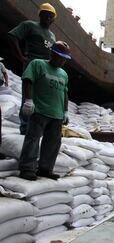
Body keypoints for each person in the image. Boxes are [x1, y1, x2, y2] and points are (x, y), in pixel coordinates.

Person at [18, 41, 71, 181]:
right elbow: (27, 80)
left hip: (57, 114)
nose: (62, 61)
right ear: (52, 54)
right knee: (33, 140)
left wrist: (65, 111)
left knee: (53, 143)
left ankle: (45, 169)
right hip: (39, 111)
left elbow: (65, 94)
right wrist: (28, 101)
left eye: (65, 58)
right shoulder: (38, 64)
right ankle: (27, 168)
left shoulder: (64, 74)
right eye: (60, 57)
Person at [8, 2, 57, 135]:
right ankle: (25, 128)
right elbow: (12, 36)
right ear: (40, 15)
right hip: (32, 64)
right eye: (45, 15)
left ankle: (38, 127)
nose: (48, 18)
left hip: (45, 68)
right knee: (28, 97)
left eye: (50, 16)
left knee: (41, 97)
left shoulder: (52, 35)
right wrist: (20, 56)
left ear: (53, 19)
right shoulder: (29, 25)